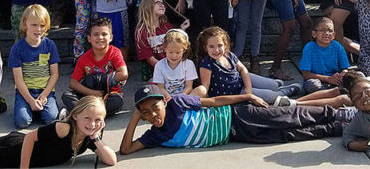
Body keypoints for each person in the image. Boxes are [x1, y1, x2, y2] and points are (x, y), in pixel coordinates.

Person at [119, 83, 345, 154]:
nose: (153, 115)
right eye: (146, 113)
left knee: (288, 116)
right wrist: (134, 118)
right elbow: (126, 150)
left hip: (237, 115)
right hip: (237, 135)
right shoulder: (155, 135)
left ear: (164, 102)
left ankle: (337, 113)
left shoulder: (178, 102)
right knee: (287, 134)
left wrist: (246, 96)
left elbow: (215, 101)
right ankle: (336, 128)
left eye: (155, 108)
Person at [196, 26, 302, 105]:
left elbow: (243, 70)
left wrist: (249, 88)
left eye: (220, 45)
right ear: (205, 48)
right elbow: (205, 88)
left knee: (273, 85)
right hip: (236, 93)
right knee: (271, 96)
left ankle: (276, 84)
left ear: (226, 45)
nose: (216, 50)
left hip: (242, 81)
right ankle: (285, 91)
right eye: (211, 47)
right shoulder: (207, 63)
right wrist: (207, 104)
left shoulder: (228, 55)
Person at [62, 17, 128, 117]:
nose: (100, 38)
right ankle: (91, 113)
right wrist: (92, 93)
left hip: (109, 93)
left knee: (116, 102)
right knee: (67, 96)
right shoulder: (83, 58)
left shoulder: (115, 52)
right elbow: (73, 83)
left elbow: (124, 74)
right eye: (96, 34)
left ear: (111, 37)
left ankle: (80, 113)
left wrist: (104, 79)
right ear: (89, 38)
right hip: (89, 93)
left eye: (104, 34)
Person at [8, 4, 61, 129]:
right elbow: (18, 79)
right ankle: (32, 107)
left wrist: (44, 95)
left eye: (42, 25)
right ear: (25, 24)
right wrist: (31, 100)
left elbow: (55, 74)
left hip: (45, 91)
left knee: (51, 119)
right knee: (22, 122)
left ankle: (37, 109)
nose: (38, 29)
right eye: (34, 25)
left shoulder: (50, 45)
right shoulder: (17, 48)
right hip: (25, 92)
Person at [299, 17, 350, 94]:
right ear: (314, 34)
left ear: (334, 35)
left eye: (330, 31)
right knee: (311, 85)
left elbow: (345, 69)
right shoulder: (309, 48)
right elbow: (306, 74)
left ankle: (332, 92)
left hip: (335, 80)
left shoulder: (338, 46)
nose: (326, 33)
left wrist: (342, 75)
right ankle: (332, 92)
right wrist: (328, 79)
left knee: (358, 76)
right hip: (317, 81)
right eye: (322, 30)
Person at [151, 29, 198, 97]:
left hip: (184, 97)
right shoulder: (159, 65)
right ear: (165, 49)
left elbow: (189, 87)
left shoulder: (189, 64)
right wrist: (169, 98)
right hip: (166, 97)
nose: (174, 56)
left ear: (184, 50)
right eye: (170, 52)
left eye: (178, 52)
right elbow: (161, 87)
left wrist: (180, 97)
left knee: (201, 90)